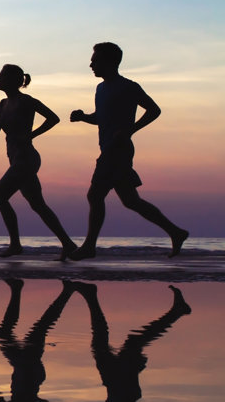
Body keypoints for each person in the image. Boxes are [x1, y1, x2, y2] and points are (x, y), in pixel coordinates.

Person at [69, 42, 188, 259]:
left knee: (95, 195)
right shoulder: (100, 88)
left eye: (95, 60)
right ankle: (176, 232)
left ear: (109, 62)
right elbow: (102, 117)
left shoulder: (128, 87)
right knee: (131, 201)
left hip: (118, 151)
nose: (91, 64)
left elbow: (154, 110)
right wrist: (83, 117)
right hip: (109, 149)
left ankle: (89, 246)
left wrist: (130, 130)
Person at [0, 64, 77, 258]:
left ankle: (15, 245)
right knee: (38, 205)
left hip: (26, 159)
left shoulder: (26, 101)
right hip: (15, 159)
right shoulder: (3, 104)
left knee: (0, 198)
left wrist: (31, 135)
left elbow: (53, 118)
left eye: (1, 77)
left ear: (13, 80)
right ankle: (68, 243)